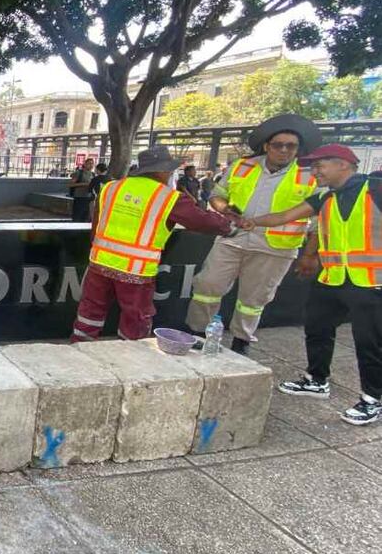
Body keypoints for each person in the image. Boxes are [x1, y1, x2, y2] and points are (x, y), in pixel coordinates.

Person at [242, 144, 382, 426]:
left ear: (344, 164)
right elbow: (284, 217)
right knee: (317, 327)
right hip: (331, 279)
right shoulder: (325, 198)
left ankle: (373, 399)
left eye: (320, 166)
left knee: (369, 342)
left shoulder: (375, 189)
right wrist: (250, 222)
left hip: (370, 282)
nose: (314, 172)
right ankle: (316, 380)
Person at [185, 113, 322, 355]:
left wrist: (310, 253)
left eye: (291, 146)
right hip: (232, 238)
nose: (285, 151)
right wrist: (225, 210)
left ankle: (241, 340)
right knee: (207, 284)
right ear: (267, 146)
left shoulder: (309, 174)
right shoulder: (243, 166)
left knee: (254, 299)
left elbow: (318, 220)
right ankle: (196, 333)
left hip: (276, 247)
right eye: (279, 145)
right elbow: (217, 194)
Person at [71, 146, 239, 342]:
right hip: (136, 271)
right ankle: (132, 358)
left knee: (90, 311)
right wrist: (229, 226)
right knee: (135, 318)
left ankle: (80, 347)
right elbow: (202, 221)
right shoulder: (168, 198)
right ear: (161, 171)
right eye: (169, 170)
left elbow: (96, 226)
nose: (170, 174)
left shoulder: (111, 188)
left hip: (99, 264)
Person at [69, 157, 95, 222]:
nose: (91, 165)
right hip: (79, 197)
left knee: (86, 216)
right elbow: (71, 184)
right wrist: (84, 184)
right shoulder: (79, 173)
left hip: (89, 197)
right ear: (85, 164)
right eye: (89, 163)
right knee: (77, 216)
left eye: (92, 164)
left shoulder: (93, 174)